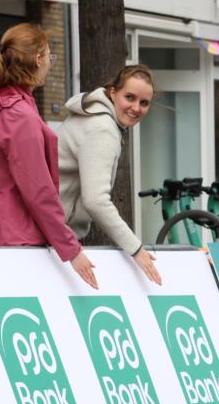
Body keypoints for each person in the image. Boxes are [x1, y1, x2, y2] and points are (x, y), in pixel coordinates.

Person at [0, 23, 97, 290]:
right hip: (17, 245)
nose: (50, 63)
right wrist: (71, 249)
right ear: (38, 59)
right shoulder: (19, 116)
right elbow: (38, 191)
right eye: (49, 56)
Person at [58, 64, 161, 285]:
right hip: (53, 236)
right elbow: (96, 201)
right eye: (130, 97)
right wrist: (136, 248)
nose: (136, 108)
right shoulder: (102, 129)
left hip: (51, 233)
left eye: (144, 103)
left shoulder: (95, 116)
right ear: (113, 92)